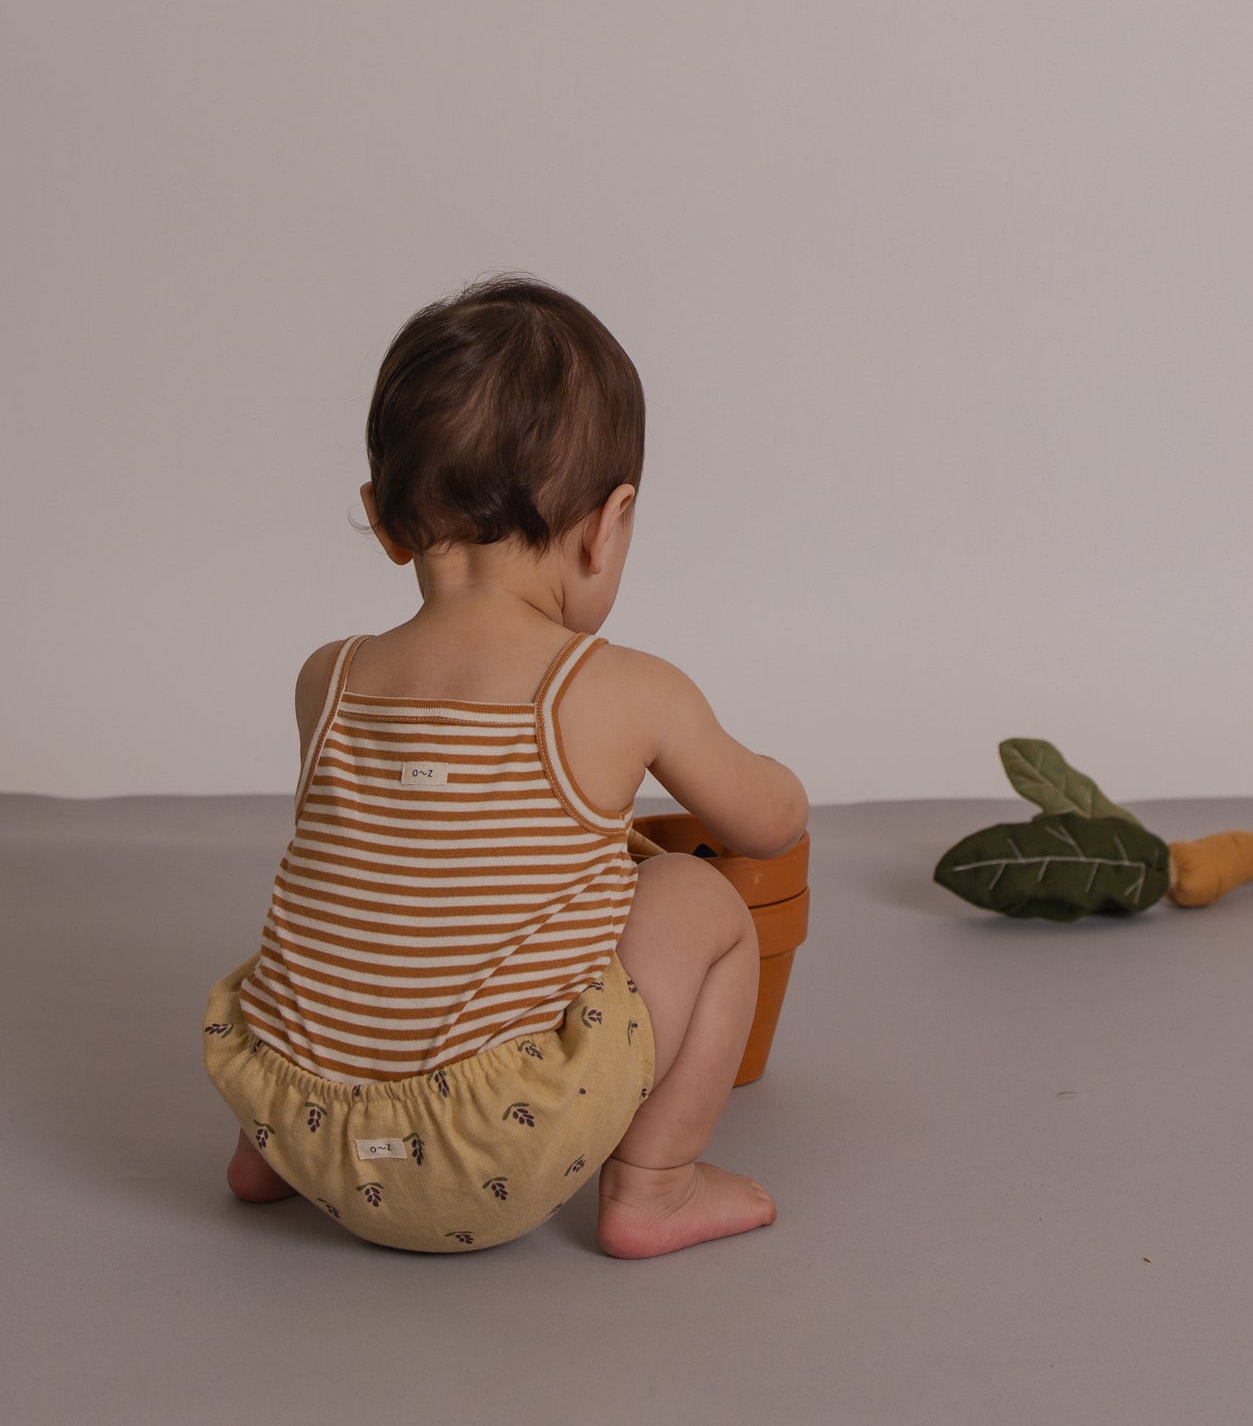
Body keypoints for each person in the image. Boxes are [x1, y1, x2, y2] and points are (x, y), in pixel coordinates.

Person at [201, 273, 808, 1258]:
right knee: (704, 903)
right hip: (487, 1155)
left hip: (298, 1122)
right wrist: (774, 780)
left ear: (385, 519)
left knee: (348, 917)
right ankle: (655, 1186)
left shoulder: (328, 678)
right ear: (606, 525)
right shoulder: (621, 689)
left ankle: (260, 1158)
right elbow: (768, 824)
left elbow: (420, 858)